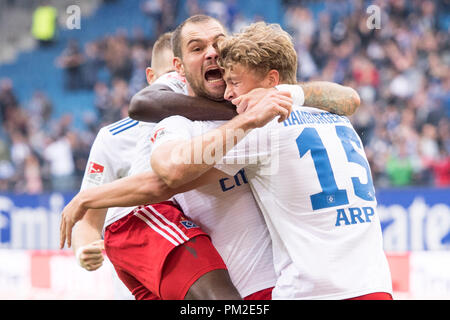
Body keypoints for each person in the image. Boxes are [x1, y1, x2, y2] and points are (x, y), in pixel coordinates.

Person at [60, 15, 361, 300]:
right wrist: (87, 203)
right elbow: (161, 169)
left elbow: (348, 99)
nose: (211, 53)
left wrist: (279, 98)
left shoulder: (264, 109)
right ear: (176, 70)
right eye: (197, 48)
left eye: (218, 42)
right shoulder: (175, 119)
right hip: (144, 219)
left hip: (264, 274)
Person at [149, 21, 393, 300]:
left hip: (311, 292)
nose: (229, 93)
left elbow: (171, 171)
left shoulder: (262, 130)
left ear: (271, 81)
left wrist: (167, 130)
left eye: (235, 81)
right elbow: (351, 98)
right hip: (375, 285)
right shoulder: (337, 116)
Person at [68, 32, 241, 300]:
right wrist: (83, 251)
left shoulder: (213, 125)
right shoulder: (114, 137)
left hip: (193, 254)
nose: (180, 88)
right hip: (149, 241)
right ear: (152, 79)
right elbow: (90, 218)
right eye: (170, 78)